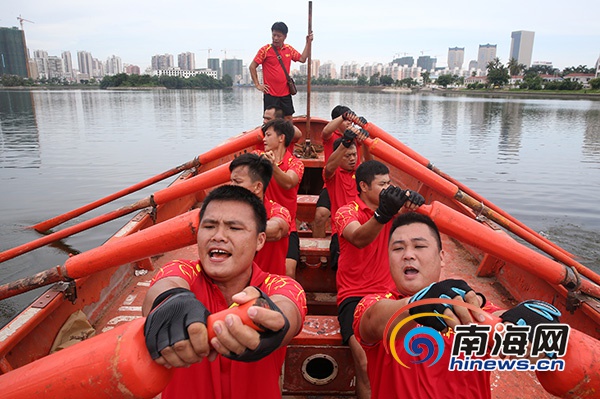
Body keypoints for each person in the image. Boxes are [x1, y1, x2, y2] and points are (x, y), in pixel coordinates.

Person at [353, 212, 563, 399]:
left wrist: (532, 324)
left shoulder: (470, 306)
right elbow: (372, 323)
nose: (408, 254)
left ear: (442, 257)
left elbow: (498, 320)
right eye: (398, 248)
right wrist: (418, 304)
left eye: (419, 246)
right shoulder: (373, 305)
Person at [142, 185, 307, 399]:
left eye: (234, 228)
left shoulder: (281, 285)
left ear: (260, 240)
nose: (218, 236)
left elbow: (287, 308)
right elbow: (161, 290)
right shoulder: (180, 271)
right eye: (209, 226)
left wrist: (270, 318)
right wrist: (172, 303)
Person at [333, 160, 425, 399]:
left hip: (394, 295)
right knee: (365, 364)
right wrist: (384, 214)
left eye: (390, 183)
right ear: (363, 186)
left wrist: (413, 203)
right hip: (355, 297)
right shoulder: (346, 212)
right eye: (382, 184)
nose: (388, 188)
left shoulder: (396, 212)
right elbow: (358, 238)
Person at [229, 153, 292, 275]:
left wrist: (232, 229)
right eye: (231, 181)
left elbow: (277, 229)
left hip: (268, 288)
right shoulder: (228, 211)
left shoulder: (278, 211)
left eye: (237, 182)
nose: (232, 187)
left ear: (258, 187)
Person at [259, 118, 304, 279]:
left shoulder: (296, 163)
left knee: (289, 272)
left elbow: (288, 182)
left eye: (268, 135)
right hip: (262, 222)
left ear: (281, 138)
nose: (263, 139)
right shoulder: (258, 159)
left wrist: (272, 166)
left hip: (288, 225)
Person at [320, 128, 368, 269]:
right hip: (341, 231)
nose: (352, 159)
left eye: (354, 155)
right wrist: (345, 143)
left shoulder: (361, 173)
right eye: (347, 156)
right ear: (338, 156)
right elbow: (329, 167)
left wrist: (365, 143)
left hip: (364, 227)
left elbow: (372, 168)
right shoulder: (333, 175)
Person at [250, 21, 313, 120]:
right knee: (270, 120)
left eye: (278, 36)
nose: (275, 38)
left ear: (285, 36)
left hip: (285, 93)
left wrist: (308, 43)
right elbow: (252, 67)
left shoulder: (288, 49)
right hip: (270, 94)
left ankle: (287, 136)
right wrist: (258, 85)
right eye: (274, 35)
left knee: (288, 118)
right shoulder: (265, 50)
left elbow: (302, 59)